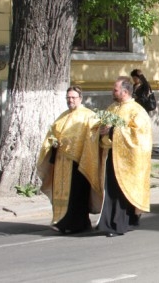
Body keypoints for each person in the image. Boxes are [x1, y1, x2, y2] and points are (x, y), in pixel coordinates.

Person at [96, 77, 152, 237]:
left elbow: (140, 135)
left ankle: (117, 224)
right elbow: (103, 124)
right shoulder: (113, 107)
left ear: (125, 92)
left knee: (120, 191)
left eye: (115, 90)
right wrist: (100, 129)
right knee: (112, 189)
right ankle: (115, 222)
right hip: (113, 155)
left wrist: (113, 130)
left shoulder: (137, 111)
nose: (112, 92)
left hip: (129, 159)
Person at [37, 86, 98, 234]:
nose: (70, 100)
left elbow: (93, 139)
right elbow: (52, 133)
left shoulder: (89, 116)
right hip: (61, 162)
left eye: (73, 97)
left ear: (80, 98)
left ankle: (77, 224)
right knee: (62, 194)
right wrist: (52, 141)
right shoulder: (62, 116)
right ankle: (61, 221)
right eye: (68, 98)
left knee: (76, 195)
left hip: (79, 163)